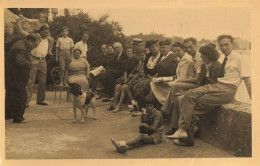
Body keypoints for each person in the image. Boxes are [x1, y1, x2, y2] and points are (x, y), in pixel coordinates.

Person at [169, 35, 251, 146]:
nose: (224, 47)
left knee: (194, 104)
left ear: (233, 44)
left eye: (226, 44)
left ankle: (187, 136)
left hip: (227, 89)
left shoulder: (239, 58)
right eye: (221, 45)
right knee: (188, 95)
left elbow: (247, 80)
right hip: (216, 85)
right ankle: (183, 131)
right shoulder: (222, 58)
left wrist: (253, 100)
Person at [166, 43, 222, 136]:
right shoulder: (204, 65)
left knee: (184, 99)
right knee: (178, 98)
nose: (201, 56)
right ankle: (175, 127)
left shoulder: (217, 66)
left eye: (203, 55)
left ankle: (187, 129)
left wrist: (197, 91)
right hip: (202, 87)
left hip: (209, 90)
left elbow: (215, 84)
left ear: (209, 55)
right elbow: (199, 81)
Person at [5, 33, 40, 123]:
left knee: (11, 95)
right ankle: (18, 117)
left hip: (11, 75)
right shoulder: (21, 48)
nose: (35, 47)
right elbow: (20, 62)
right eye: (35, 44)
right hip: (16, 76)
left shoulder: (22, 44)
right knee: (21, 96)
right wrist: (32, 64)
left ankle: (8, 114)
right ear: (29, 41)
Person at [148, 40, 179, 106]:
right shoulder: (162, 57)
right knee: (150, 88)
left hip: (169, 80)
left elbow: (175, 72)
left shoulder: (172, 56)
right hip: (160, 79)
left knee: (151, 94)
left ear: (169, 48)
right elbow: (158, 70)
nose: (162, 49)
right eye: (161, 47)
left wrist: (165, 79)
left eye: (164, 47)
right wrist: (154, 77)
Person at [108, 47, 139, 113]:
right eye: (127, 51)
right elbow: (125, 71)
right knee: (117, 86)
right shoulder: (126, 61)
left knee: (123, 88)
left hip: (135, 79)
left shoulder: (137, 60)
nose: (129, 53)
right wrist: (125, 79)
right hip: (128, 78)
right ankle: (114, 104)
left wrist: (132, 76)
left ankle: (119, 106)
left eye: (130, 51)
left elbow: (139, 73)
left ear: (133, 52)